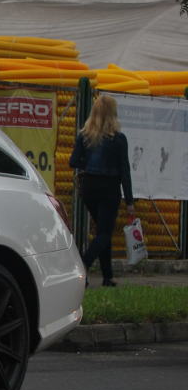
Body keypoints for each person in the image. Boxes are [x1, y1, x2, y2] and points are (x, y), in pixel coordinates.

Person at [69, 94, 135, 286]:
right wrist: (129, 201)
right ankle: (82, 264)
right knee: (105, 232)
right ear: (113, 114)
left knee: (102, 231)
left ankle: (108, 276)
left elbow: (73, 161)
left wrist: (88, 163)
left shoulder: (85, 135)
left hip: (89, 187)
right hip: (109, 188)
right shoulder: (119, 139)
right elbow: (125, 171)